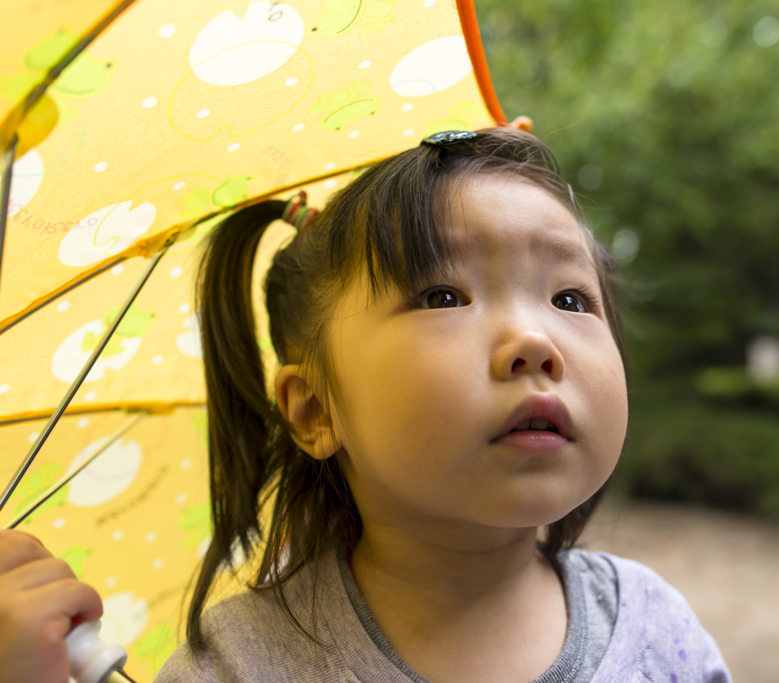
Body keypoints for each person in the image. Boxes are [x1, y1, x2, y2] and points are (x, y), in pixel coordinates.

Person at [0, 127, 730, 683]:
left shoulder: (657, 632)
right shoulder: (241, 665)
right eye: (444, 295)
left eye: (570, 298)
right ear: (315, 409)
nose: (535, 340)